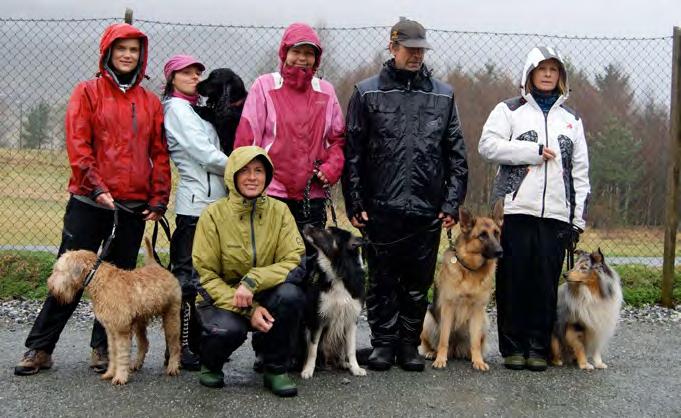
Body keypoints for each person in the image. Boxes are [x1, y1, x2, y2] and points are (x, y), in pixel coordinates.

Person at [14, 23, 171, 376]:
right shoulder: (87, 92)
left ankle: (102, 349)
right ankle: (40, 348)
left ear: (141, 56)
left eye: (133, 49)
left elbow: (159, 153)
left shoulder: (149, 102)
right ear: (108, 53)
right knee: (68, 276)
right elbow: (79, 145)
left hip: (131, 207)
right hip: (90, 202)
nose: (127, 55)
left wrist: (159, 197)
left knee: (118, 285)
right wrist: (96, 186)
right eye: (121, 49)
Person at [341, 18, 468, 372]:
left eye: (420, 49)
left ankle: (409, 346)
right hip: (380, 207)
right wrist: (355, 201)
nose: (415, 55)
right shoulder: (366, 92)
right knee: (381, 280)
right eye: (409, 48)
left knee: (418, 282)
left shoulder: (443, 95)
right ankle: (382, 345)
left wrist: (451, 203)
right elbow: (353, 152)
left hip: (426, 208)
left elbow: (456, 153)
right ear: (392, 47)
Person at [478, 46, 590, 371]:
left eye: (553, 70)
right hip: (515, 211)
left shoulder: (572, 120)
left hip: (557, 215)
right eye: (541, 69)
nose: (547, 75)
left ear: (561, 77)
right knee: (513, 281)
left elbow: (580, 171)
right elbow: (488, 145)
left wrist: (577, 219)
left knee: (545, 283)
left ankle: (539, 347)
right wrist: (532, 151)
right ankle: (513, 348)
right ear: (530, 73)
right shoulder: (509, 110)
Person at [192, 146, 306, 397]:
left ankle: (274, 368)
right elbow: (205, 276)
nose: (252, 177)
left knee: (291, 296)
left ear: (267, 176)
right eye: (244, 171)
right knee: (229, 330)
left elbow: (294, 259)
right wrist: (248, 309)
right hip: (223, 299)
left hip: (264, 293)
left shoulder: (280, 212)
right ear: (232, 175)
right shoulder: (212, 215)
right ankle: (210, 363)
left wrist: (254, 280)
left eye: (258, 171)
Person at [233, 22, 345, 248]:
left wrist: (330, 169)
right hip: (271, 191)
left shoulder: (326, 91)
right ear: (285, 53)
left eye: (309, 53)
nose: (302, 58)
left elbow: (338, 139)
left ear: (317, 58)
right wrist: (247, 183)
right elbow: (247, 141)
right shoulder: (265, 86)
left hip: (311, 194)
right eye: (296, 51)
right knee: (270, 255)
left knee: (310, 258)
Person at [162, 55, 228, 371]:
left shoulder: (195, 109)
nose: (194, 76)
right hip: (194, 206)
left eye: (197, 72)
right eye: (186, 72)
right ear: (171, 77)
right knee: (186, 280)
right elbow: (202, 153)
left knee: (206, 278)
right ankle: (179, 348)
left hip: (214, 206)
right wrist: (242, 166)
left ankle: (199, 343)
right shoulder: (175, 109)